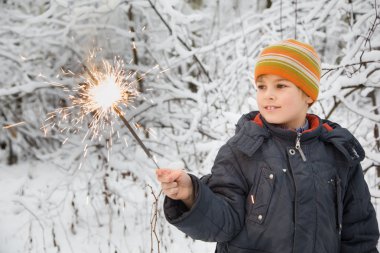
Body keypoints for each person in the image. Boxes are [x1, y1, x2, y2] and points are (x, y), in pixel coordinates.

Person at [156, 39, 379, 253]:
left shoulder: (337, 154)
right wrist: (192, 196)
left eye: (280, 86)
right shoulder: (241, 150)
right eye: (261, 86)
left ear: (308, 95)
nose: (268, 95)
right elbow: (223, 223)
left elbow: (359, 234)